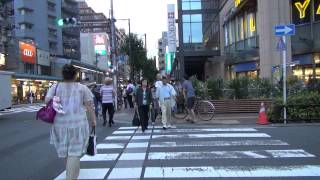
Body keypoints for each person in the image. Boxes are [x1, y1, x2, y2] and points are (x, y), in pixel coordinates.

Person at [45, 64, 96, 180]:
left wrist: (56, 99)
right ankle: (70, 177)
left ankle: (71, 176)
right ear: (75, 75)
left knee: (66, 153)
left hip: (59, 125)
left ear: (63, 75)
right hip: (78, 124)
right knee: (74, 153)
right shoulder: (82, 88)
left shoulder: (55, 87)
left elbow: (47, 101)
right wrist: (93, 120)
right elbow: (89, 106)